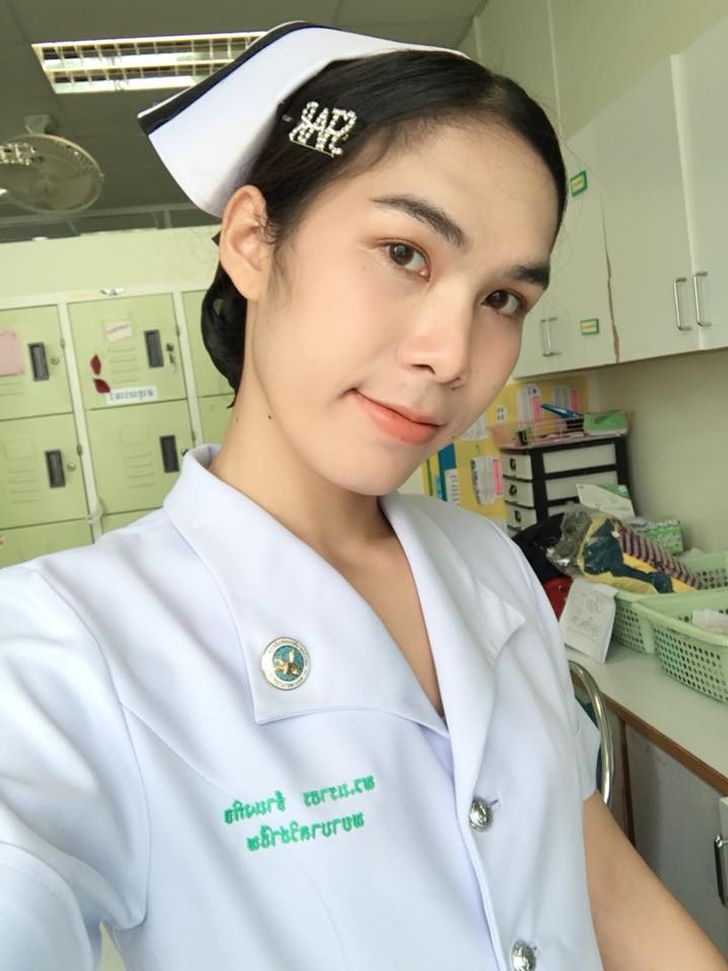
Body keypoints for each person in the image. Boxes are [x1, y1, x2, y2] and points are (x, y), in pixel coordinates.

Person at [0, 20, 725, 971]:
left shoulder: (487, 562)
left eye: (503, 298)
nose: (453, 355)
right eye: (405, 253)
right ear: (253, 241)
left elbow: (596, 872)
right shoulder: (60, 647)